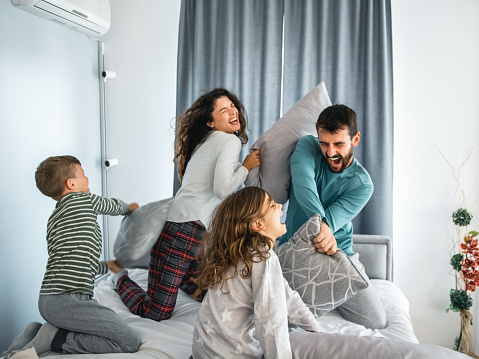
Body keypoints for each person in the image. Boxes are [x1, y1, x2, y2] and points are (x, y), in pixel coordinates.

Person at [111, 88, 261, 321]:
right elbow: (222, 189)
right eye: (224, 110)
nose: (233, 111)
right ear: (211, 123)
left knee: (208, 295)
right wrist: (247, 166)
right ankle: (119, 278)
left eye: (232, 106)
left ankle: (178, 279)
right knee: (156, 313)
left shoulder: (207, 141)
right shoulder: (229, 141)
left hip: (196, 232)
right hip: (183, 231)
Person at [2, 155, 141, 358]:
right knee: (129, 342)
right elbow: (111, 206)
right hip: (69, 300)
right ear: (71, 183)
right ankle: (54, 338)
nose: (87, 178)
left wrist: (108, 266)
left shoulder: (54, 220)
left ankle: (34, 332)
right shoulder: (83, 199)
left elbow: (76, 263)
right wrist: (130, 208)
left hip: (49, 299)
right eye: (83, 173)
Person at [278, 104, 387, 329]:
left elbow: (332, 220)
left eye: (339, 144)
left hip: (338, 253)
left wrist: (325, 226)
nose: (330, 152)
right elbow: (304, 185)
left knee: (376, 320)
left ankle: (331, 296)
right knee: (283, 322)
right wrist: (322, 225)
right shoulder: (307, 146)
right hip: (294, 251)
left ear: (355, 140)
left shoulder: (362, 184)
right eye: (324, 143)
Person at [192, 186, 322, 359]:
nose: (280, 206)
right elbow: (271, 319)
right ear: (258, 224)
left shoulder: (239, 255)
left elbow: (289, 299)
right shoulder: (263, 258)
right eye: (272, 205)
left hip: (201, 352)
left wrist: (318, 331)